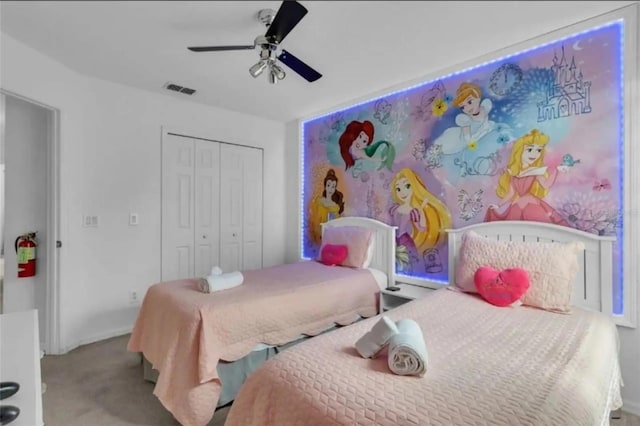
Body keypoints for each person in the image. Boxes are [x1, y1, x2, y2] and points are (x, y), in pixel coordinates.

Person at [485, 129, 569, 225]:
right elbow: (511, 193)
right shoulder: (513, 172)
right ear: (520, 151)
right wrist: (498, 205)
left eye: (538, 150)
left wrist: (557, 171)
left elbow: (546, 185)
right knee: (513, 230)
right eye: (530, 149)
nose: (534, 154)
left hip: (531, 204)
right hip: (515, 206)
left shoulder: (536, 171)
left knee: (538, 227)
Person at [389, 168, 451, 273]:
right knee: (396, 264)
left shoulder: (413, 211)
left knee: (408, 266)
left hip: (405, 241)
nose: (402, 192)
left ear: (414, 187)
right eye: (398, 189)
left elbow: (421, 229)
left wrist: (421, 210)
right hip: (394, 240)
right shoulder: (394, 208)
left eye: (407, 186)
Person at [433, 82, 496, 155]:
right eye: (463, 107)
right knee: (447, 146)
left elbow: (485, 122)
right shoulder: (465, 119)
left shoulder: (485, 108)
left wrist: (485, 128)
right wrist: (471, 141)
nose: (468, 108)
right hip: (460, 138)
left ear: (478, 98)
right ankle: (436, 150)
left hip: (479, 132)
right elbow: (467, 137)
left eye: (470, 102)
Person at [309, 169, 345, 244]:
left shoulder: (335, 207)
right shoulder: (318, 201)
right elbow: (313, 216)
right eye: (328, 185)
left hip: (328, 236)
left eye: (333, 186)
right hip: (316, 234)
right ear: (325, 186)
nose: (330, 189)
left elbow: (335, 224)